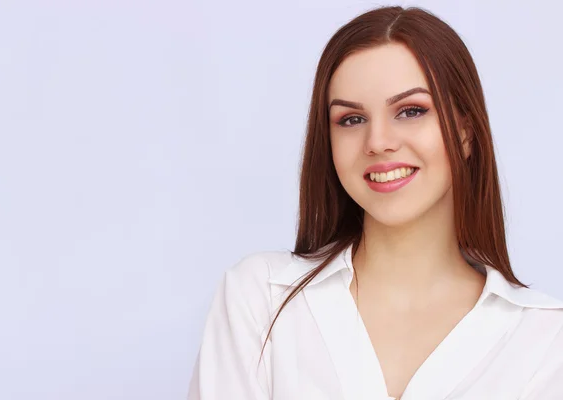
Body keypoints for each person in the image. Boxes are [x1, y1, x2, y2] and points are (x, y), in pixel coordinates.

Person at [187, 5, 563, 400]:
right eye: (351, 119)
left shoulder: (544, 340)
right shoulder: (260, 298)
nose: (378, 142)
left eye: (411, 111)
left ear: (466, 134)